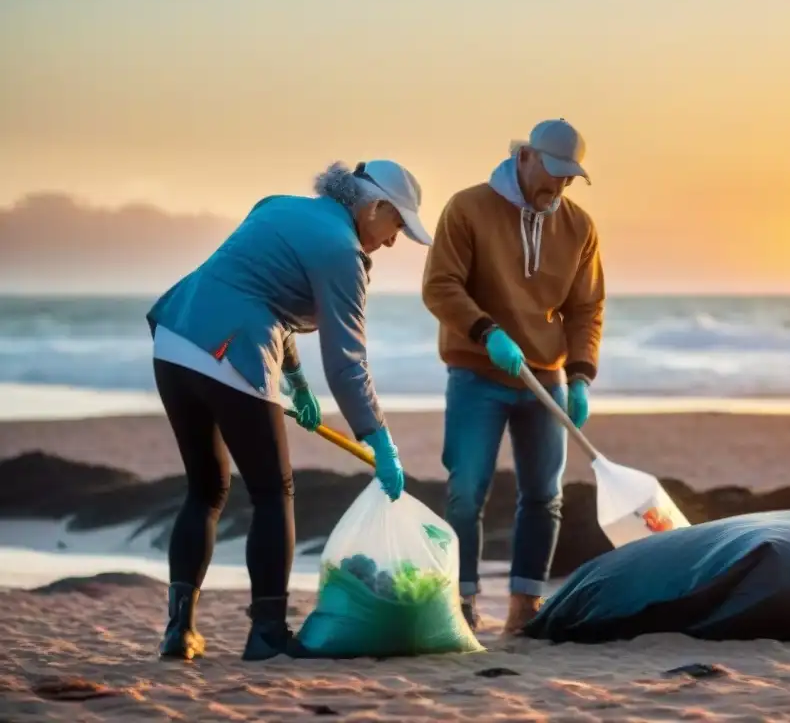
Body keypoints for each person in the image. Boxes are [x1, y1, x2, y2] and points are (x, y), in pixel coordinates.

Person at [146, 159, 432, 661]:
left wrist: (296, 381)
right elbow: (347, 364)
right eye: (398, 227)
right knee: (273, 493)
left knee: (206, 489)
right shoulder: (342, 252)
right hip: (229, 353)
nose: (393, 241)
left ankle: (179, 631)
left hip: (173, 341)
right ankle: (268, 634)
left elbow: (263, 297)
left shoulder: (278, 206)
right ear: (375, 207)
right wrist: (379, 439)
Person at [421, 118, 606, 634]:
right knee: (466, 490)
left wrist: (581, 374)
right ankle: (459, 602)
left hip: (545, 379)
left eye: (570, 178)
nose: (560, 187)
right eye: (553, 173)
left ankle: (525, 607)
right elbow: (440, 286)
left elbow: (586, 307)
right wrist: (485, 332)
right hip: (478, 372)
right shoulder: (467, 208)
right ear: (525, 156)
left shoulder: (579, 227)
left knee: (545, 495)